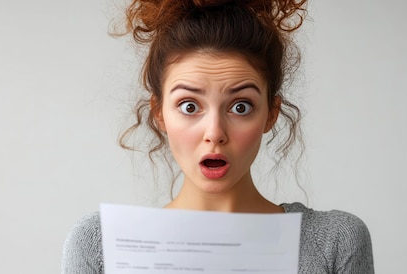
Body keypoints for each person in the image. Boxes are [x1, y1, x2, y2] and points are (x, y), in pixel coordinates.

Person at [62, 0, 374, 273]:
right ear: (159, 113)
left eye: (240, 106)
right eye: (189, 106)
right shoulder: (99, 244)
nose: (215, 133)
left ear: (270, 113)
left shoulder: (335, 241)